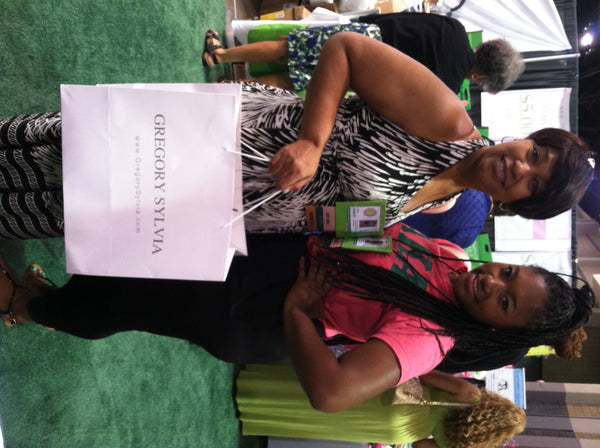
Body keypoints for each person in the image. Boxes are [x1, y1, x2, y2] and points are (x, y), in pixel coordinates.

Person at [0, 31, 594, 238]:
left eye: (533, 181)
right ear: (525, 138)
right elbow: (346, 50)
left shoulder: (441, 202)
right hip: (233, 140)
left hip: (237, 205)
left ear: (521, 203)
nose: (521, 166)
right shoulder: (447, 121)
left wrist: (314, 226)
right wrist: (312, 141)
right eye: (535, 152)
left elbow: (339, 216)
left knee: (85, 212)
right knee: (72, 146)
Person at [1, 222, 594, 412]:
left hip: (252, 310)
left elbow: (331, 393)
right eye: (508, 273)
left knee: (130, 301)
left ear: (497, 328)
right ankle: (55, 297)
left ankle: (26, 306)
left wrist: (297, 313)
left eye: (504, 302)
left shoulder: (430, 337)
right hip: (274, 256)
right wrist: (320, 216)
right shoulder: (452, 257)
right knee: (138, 263)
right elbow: (369, 229)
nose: (492, 282)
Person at [236, 365, 525, 448]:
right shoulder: (466, 444)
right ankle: (255, 411)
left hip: (396, 397)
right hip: (399, 430)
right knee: (328, 420)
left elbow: (426, 375)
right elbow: (422, 446)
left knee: (331, 389)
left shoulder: (470, 394)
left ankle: (254, 386)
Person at [358, 12, 524, 93]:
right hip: (361, 70)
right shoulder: (447, 91)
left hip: (359, 31)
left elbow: (404, 18)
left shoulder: (455, 28)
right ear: (480, 77)